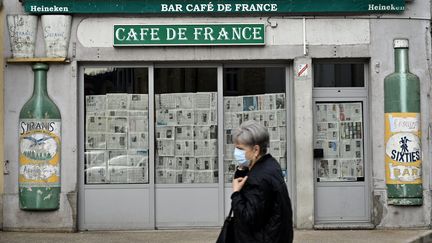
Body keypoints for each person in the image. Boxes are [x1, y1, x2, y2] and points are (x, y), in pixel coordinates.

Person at [230, 120, 293, 243]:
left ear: (256, 150)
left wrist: (236, 194)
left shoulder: (258, 180)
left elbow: (247, 218)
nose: (236, 153)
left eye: (240, 149)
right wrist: (242, 168)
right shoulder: (270, 164)